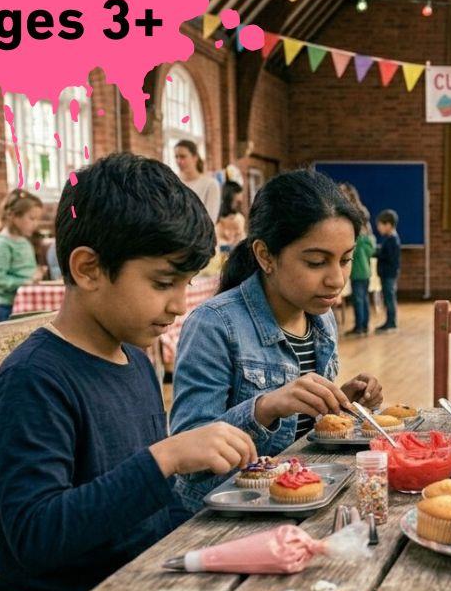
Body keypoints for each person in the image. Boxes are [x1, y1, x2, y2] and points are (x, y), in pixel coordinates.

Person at [0, 153, 257, 591]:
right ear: (88, 268)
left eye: (187, 282)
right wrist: (166, 458)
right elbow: (36, 536)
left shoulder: (134, 359)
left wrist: (214, 546)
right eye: (162, 282)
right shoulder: (34, 381)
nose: (178, 303)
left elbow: (150, 514)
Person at [171, 169, 384, 513]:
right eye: (316, 262)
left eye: (345, 260)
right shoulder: (215, 325)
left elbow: (299, 433)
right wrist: (266, 407)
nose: (336, 279)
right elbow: (188, 456)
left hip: (295, 504)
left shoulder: (320, 318)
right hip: (217, 521)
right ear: (266, 256)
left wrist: (337, 402)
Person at [0, 189, 46, 321]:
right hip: (9, 307)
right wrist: (26, 282)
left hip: (27, 304)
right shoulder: (3, 243)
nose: (36, 224)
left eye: (37, 219)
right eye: (31, 218)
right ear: (14, 216)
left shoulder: (23, 240)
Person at [339, 183, 375, 337]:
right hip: (364, 271)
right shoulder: (367, 240)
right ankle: (363, 325)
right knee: (363, 298)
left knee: (359, 299)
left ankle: (360, 326)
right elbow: (370, 249)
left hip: (358, 271)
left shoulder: (358, 241)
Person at [173, 140, 220, 222]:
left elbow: (211, 219)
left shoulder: (210, 184)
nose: (179, 161)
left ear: (195, 157)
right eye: (176, 157)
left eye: (183, 156)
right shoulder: (172, 182)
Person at [374, 209, 401, 333]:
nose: (379, 228)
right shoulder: (389, 238)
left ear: (388, 225)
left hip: (389, 274)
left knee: (389, 298)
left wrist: (377, 253)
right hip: (387, 274)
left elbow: (389, 257)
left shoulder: (392, 239)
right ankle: (389, 321)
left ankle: (391, 322)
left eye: (380, 225)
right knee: (388, 297)